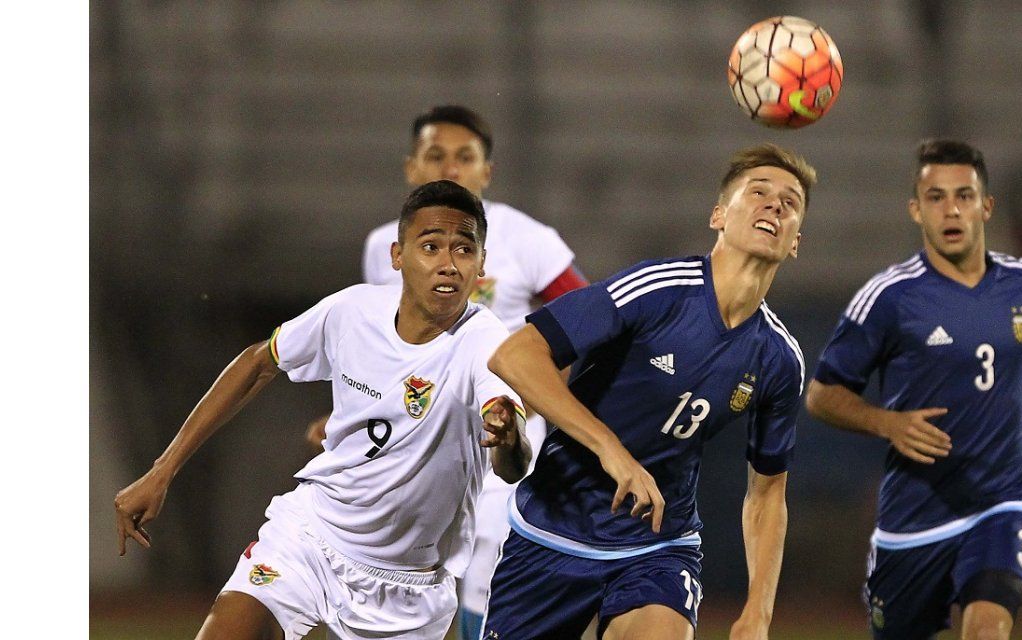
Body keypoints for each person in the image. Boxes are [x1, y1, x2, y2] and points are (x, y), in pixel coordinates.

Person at [114, 180, 533, 640]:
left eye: (464, 250)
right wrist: (162, 470)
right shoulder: (351, 311)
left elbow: (512, 466)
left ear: (481, 265)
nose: (448, 265)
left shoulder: (488, 341)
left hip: (408, 589)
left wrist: (509, 436)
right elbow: (258, 363)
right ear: (398, 256)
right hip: (310, 540)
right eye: (431, 246)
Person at [480, 143, 815, 640]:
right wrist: (611, 451)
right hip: (553, 529)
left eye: (790, 202)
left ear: (794, 243)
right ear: (719, 215)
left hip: (658, 545)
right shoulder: (657, 290)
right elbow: (515, 355)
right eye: (759, 192)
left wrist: (758, 614)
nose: (776, 205)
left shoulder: (779, 359)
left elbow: (767, 493)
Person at [306, 104, 588, 640]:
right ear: (412, 167)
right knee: (406, 579)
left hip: (498, 428)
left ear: (487, 171)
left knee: (487, 564)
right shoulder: (382, 247)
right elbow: (380, 346)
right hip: (410, 442)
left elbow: (586, 324)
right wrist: (346, 413)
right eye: (436, 156)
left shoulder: (529, 240)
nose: (450, 169)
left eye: (465, 157)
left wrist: (549, 399)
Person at [804, 139, 1022, 640]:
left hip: (1001, 505)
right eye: (936, 197)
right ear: (917, 211)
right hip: (913, 519)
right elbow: (822, 395)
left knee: (987, 628)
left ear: (986, 206)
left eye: (964, 195)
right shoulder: (889, 296)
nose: (952, 209)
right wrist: (887, 422)